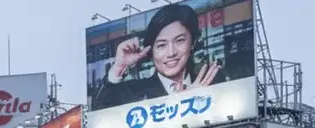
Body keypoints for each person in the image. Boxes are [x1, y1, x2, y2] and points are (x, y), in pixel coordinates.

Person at [93, 3, 225, 110]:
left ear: (193, 43)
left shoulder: (212, 82)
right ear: (151, 51)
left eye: (179, 41)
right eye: (161, 45)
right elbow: (98, 115)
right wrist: (118, 68)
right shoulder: (133, 93)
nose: (171, 52)